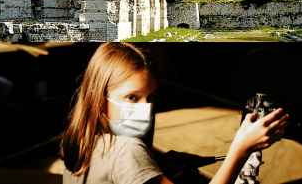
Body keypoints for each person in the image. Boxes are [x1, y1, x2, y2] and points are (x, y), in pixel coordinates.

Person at [60, 43, 289, 184]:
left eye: (150, 97)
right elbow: (123, 161)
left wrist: (154, 167)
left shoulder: (82, 146)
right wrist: (241, 149)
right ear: (100, 102)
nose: (146, 107)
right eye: (132, 97)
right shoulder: (126, 150)